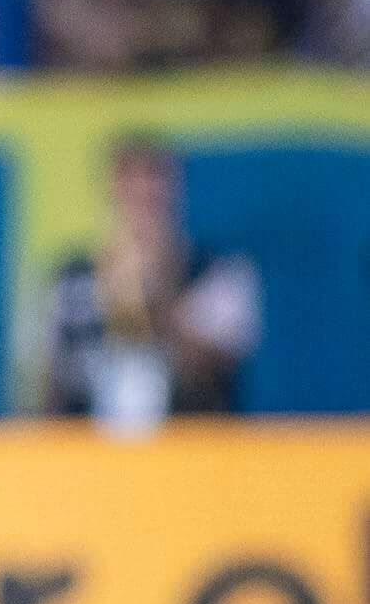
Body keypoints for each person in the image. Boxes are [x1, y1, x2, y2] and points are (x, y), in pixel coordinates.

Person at [39, 136, 258, 430]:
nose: (142, 195)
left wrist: (157, 292)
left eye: (153, 182)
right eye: (130, 183)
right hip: (89, 445)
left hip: (191, 443)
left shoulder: (218, 273)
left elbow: (217, 369)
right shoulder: (70, 279)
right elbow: (50, 383)